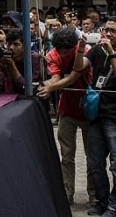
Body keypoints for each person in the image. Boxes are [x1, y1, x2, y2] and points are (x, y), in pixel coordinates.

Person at [58, 17, 116, 217]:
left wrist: (112, 53)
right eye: (107, 30)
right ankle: (101, 200)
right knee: (95, 162)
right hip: (96, 115)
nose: (109, 34)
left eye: (114, 31)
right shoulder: (97, 51)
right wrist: (80, 48)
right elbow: (78, 67)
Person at [37, 27, 95, 205]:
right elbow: (55, 79)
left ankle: (94, 193)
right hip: (67, 109)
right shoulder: (53, 54)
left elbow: (72, 77)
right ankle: (67, 192)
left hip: (88, 108)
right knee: (67, 155)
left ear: (75, 46)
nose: (62, 54)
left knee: (92, 156)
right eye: (60, 51)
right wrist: (47, 85)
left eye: (66, 51)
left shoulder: (85, 53)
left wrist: (50, 88)